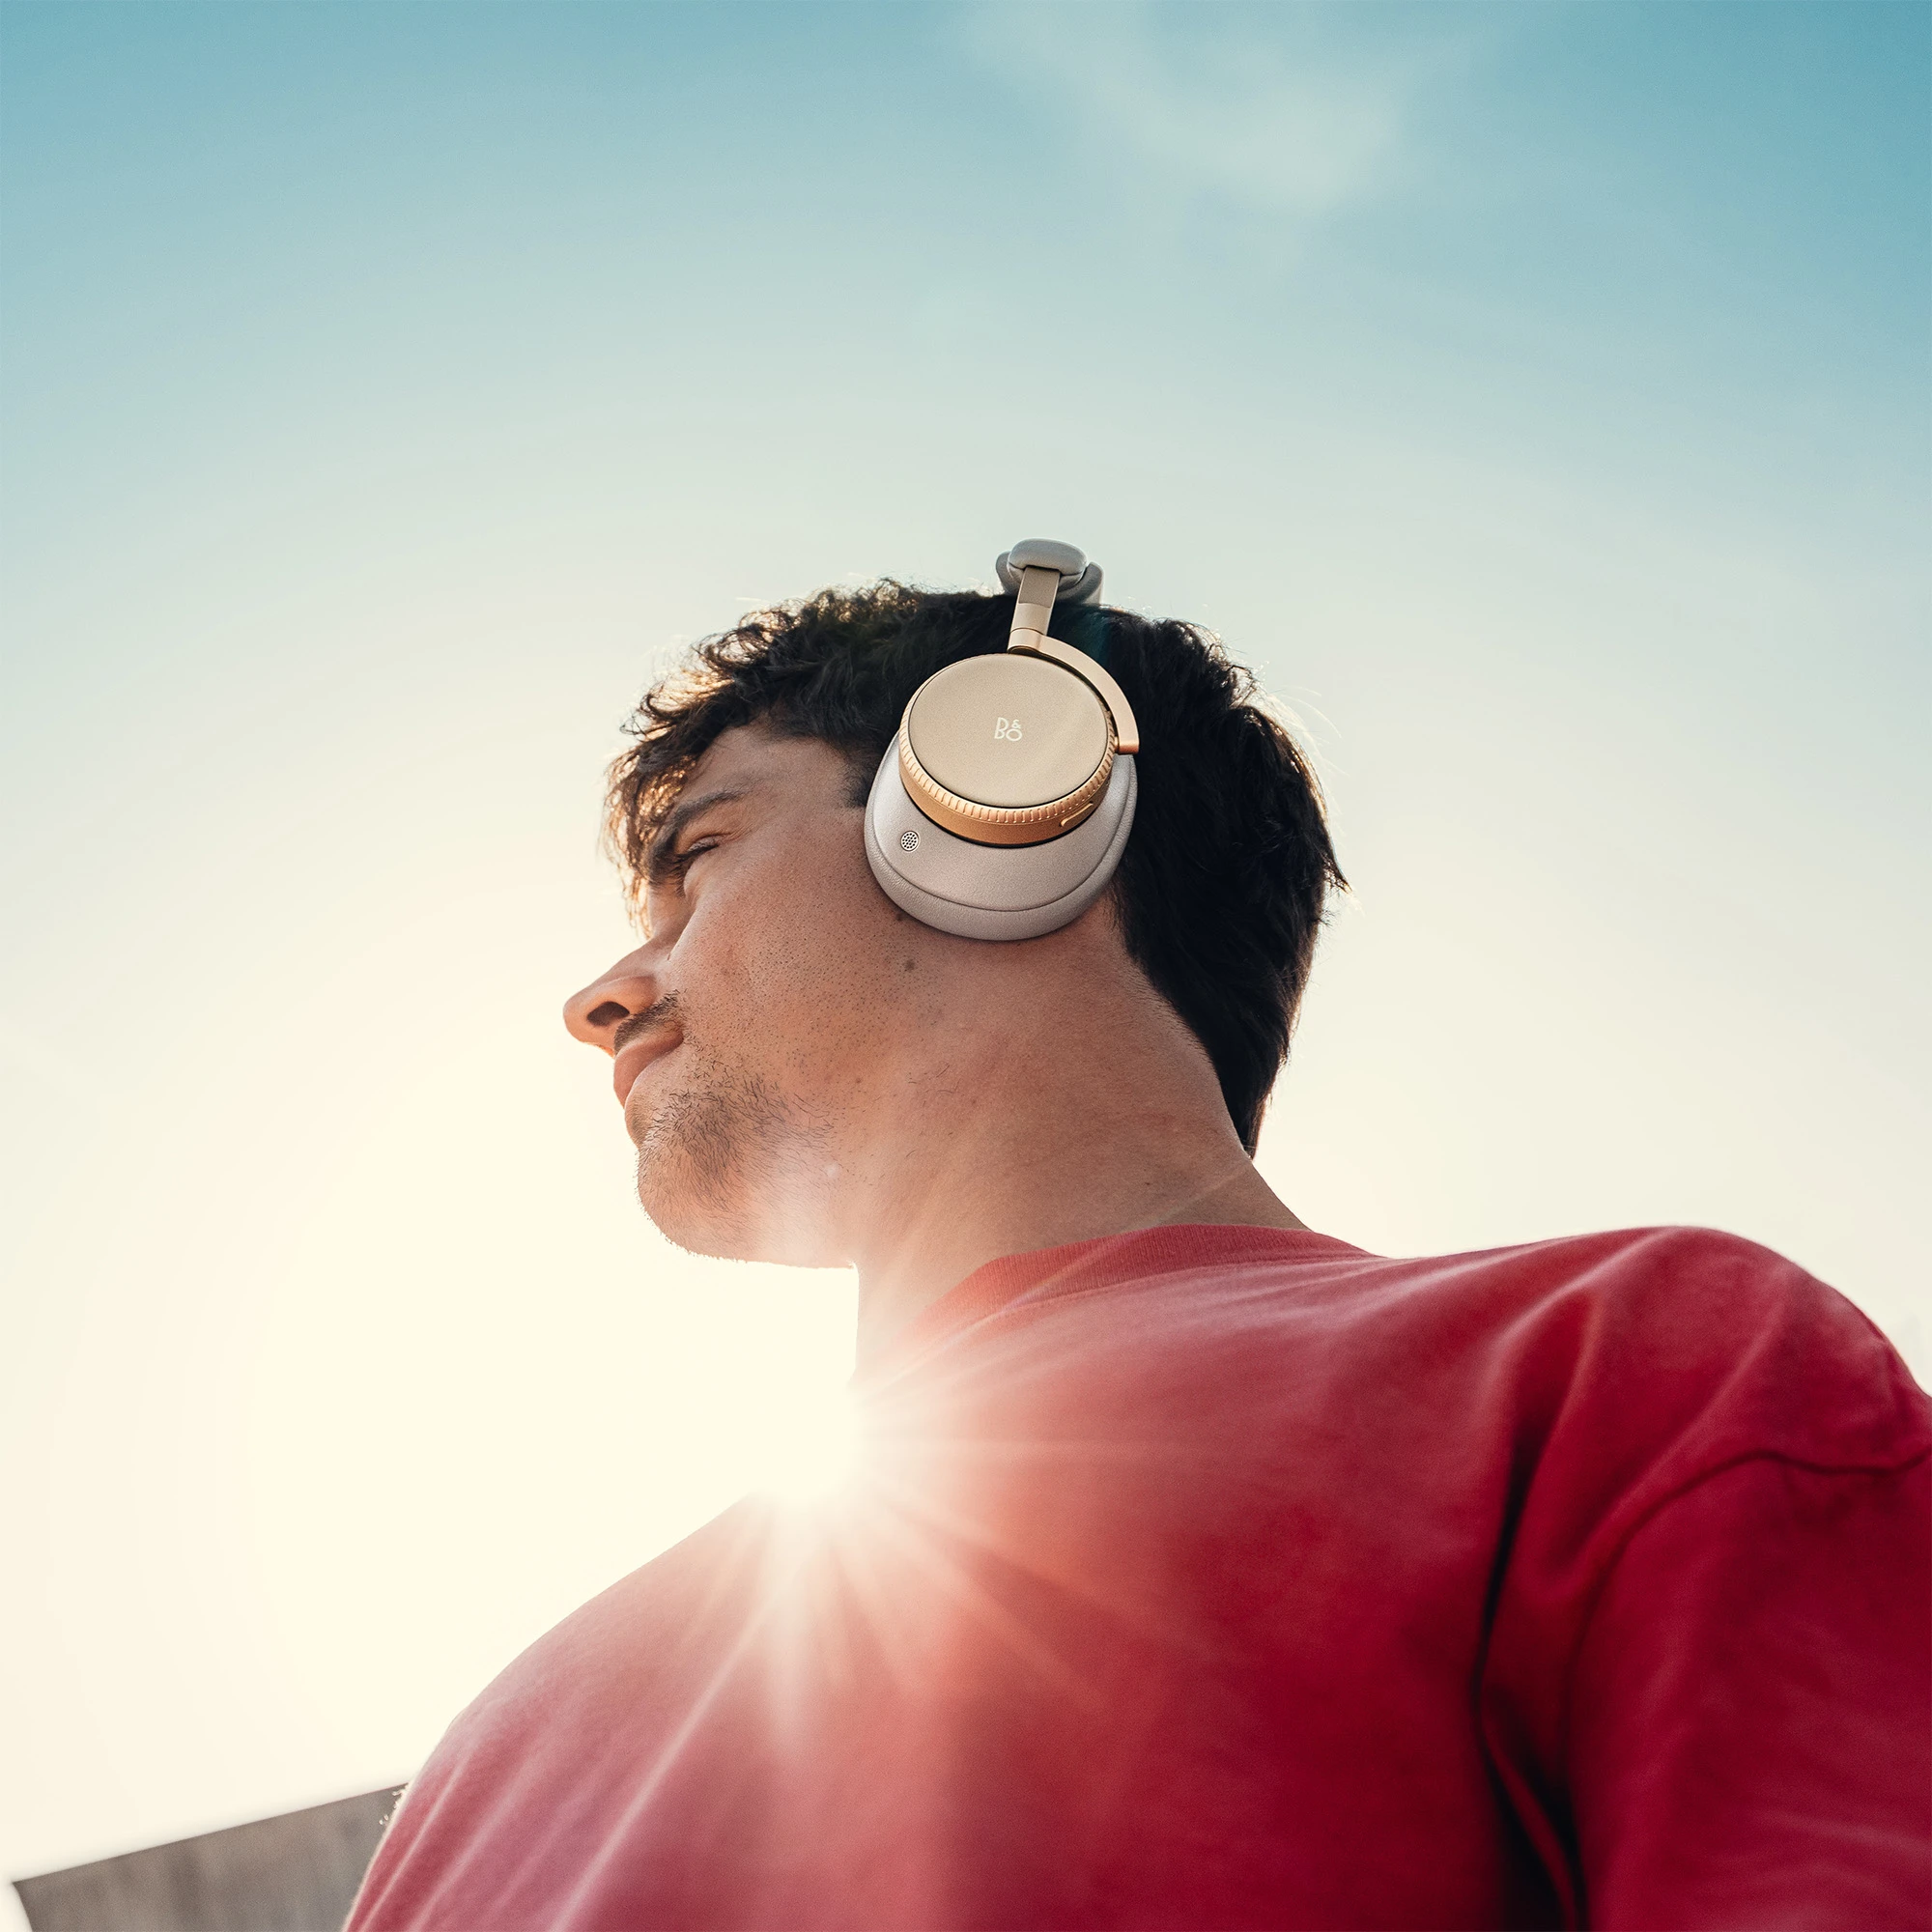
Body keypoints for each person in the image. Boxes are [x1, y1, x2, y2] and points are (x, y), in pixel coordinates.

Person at [346, 556, 1930, 1931]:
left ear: (996, 793)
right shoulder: (485, 1761)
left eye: (696, 860)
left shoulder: (1630, 1370)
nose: (605, 993)